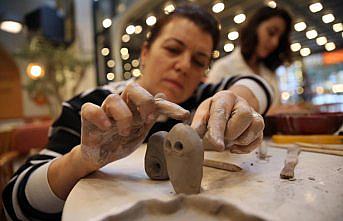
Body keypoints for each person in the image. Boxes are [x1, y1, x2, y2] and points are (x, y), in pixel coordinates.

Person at [2, 5, 273, 221]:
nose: (183, 65)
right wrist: (82, 159)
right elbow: (15, 204)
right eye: (173, 49)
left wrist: (237, 101)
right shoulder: (93, 108)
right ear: (144, 53)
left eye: (199, 61)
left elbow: (257, 85)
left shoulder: (202, 102)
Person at [207, 6, 292, 110]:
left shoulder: (270, 73)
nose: (275, 42)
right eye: (271, 32)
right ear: (255, 27)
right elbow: (211, 112)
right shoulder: (222, 68)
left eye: (280, 38)